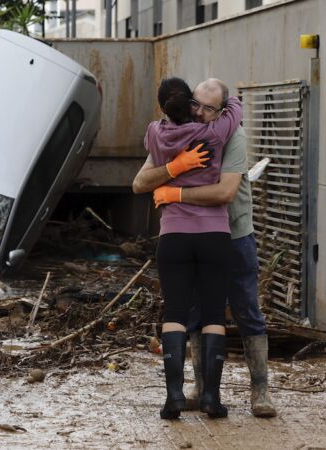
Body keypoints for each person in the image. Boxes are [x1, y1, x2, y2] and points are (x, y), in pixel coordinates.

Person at [133, 78, 277, 418]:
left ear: (221, 110)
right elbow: (140, 181)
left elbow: (225, 192)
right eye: (194, 103)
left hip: (234, 233)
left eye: (207, 107)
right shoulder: (185, 129)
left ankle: (260, 390)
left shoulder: (231, 135)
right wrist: (175, 166)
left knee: (245, 308)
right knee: (199, 312)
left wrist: (176, 192)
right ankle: (202, 389)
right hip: (206, 235)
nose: (198, 111)